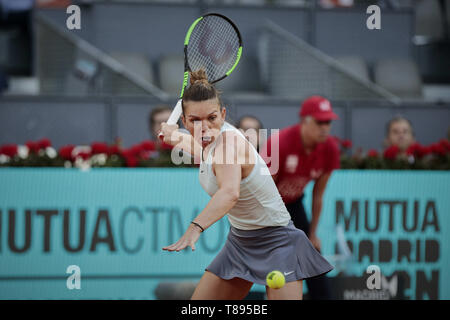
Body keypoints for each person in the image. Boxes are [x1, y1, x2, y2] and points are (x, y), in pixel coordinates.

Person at [159, 71, 333, 300]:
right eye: (195, 121)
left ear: (223, 114)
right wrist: (174, 137)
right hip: (240, 242)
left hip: (277, 241)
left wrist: (195, 227)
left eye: (212, 118)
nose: (205, 128)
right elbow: (198, 145)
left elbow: (230, 193)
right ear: (185, 121)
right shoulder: (209, 140)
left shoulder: (229, 143)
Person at [260, 95, 340, 300]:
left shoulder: (330, 148)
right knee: (263, 262)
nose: (325, 127)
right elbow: (263, 191)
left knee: (312, 257)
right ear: (305, 120)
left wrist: (313, 234)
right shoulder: (280, 143)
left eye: (328, 122)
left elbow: (318, 194)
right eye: (319, 122)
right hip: (264, 206)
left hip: (294, 203)